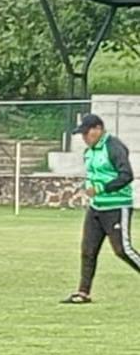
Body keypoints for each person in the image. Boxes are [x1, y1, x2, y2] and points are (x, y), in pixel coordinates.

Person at [62, 112, 140, 304]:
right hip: (96, 207)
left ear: (98, 129)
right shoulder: (89, 152)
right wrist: (88, 188)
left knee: (123, 250)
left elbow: (126, 175)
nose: (84, 138)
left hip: (116, 206)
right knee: (88, 250)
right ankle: (83, 292)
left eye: (86, 133)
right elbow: (92, 176)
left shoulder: (114, 147)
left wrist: (102, 188)